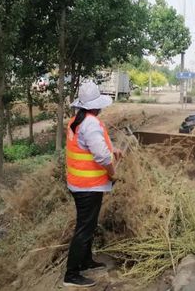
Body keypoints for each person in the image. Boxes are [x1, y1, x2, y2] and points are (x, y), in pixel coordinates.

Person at [63, 81, 122, 288]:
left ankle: (86, 261)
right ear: (95, 106)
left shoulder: (77, 121)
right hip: (89, 187)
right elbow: (102, 158)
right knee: (84, 228)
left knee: (88, 225)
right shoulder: (91, 123)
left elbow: (92, 146)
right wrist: (112, 174)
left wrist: (112, 149)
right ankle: (71, 274)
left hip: (79, 184)